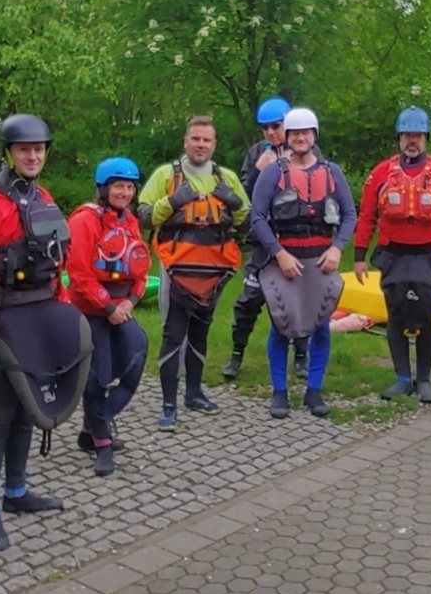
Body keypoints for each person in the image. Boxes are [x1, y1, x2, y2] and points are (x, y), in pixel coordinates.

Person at [0, 113, 92, 551]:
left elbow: (55, 262)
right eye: (24, 149)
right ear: (9, 152)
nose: (32, 156)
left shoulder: (43, 198)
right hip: (5, 319)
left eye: (39, 149)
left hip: (42, 315)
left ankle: (16, 491)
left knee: (28, 410)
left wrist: (63, 315)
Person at [138, 115, 250, 431]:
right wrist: (173, 201)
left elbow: (246, 223)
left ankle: (194, 394)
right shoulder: (165, 175)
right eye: (196, 139)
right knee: (173, 334)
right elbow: (144, 217)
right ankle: (168, 405)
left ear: (214, 145)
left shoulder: (227, 178)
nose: (201, 144)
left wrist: (234, 202)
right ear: (185, 141)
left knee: (200, 333)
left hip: (213, 272)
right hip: (176, 270)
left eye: (206, 140)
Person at [250, 107, 357, 419]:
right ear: (287, 137)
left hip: (320, 261)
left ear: (314, 135)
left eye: (306, 133)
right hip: (285, 263)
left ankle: (314, 390)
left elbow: (349, 214)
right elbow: (257, 217)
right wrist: (279, 253)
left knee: (320, 326)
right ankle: (279, 392)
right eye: (295, 133)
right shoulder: (273, 173)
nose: (300, 138)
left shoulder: (332, 172)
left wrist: (337, 248)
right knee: (280, 325)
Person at [353, 106, 431, 403]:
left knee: (425, 315)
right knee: (396, 314)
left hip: (428, 256)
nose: (412, 141)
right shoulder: (380, 173)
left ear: (426, 138)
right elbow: (367, 216)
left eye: (418, 135)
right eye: (407, 135)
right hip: (393, 256)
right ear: (399, 138)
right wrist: (359, 255)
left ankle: (423, 379)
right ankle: (402, 378)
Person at [66, 157, 150, 476]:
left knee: (136, 355)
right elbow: (78, 273)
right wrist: (108, 307)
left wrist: (131, 300)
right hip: (91, 311)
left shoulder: (129, 220)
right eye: (118, 186)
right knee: (96, 379)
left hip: (120, 308)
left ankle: (93, 426)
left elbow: (140, 266)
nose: (125, 192)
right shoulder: (84, 220)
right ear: (103, 188)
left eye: (129, 187)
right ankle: (102, 443)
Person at [222, 97, 314, 380]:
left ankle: (301, 354)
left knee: (298, 301)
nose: (272, 132)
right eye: (265, 128)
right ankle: (236, 354)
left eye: (276, 126)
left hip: (296, 241)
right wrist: (259, 171)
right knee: (248, 300)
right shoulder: (256, 154)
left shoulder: (306, 150)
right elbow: (242, 199)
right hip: (263, 242)